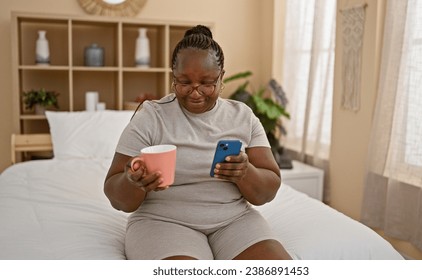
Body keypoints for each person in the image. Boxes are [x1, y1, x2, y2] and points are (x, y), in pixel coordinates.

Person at [104, 25, 292, 260]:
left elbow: (267, 191)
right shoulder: (151, 116)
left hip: (234, 220)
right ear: (173, 77)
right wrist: (134, 182)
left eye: (207, 83)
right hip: (163, 222)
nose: (195, 93)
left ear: (221, 76)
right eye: (184, 82)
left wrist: (246, 173)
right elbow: (115, 195)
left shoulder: (242, 116)